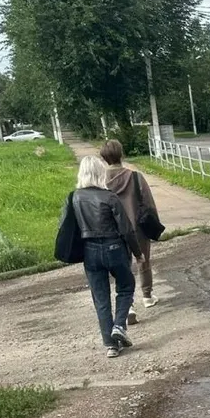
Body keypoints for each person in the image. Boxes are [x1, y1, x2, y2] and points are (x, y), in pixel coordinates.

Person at [73, 155, 142, 358]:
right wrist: (138, 253)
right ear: (100, 173)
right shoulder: (109, 197)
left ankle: (111, 345)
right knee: (126, 286)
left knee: (101, 299)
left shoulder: (75, 197)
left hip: (90, 251)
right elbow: (127, 230)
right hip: (114, 248)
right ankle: (119, 325)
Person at [100, 139, 159, 324]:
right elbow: (148, 203)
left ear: (103, 158)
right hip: (138, 227)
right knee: (143, 260)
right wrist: (154, 224)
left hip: (115, 231)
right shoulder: (135, 177)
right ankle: (148, 296)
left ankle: (129, 306)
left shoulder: (101, 181)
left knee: (122, 267)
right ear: (121, 154)